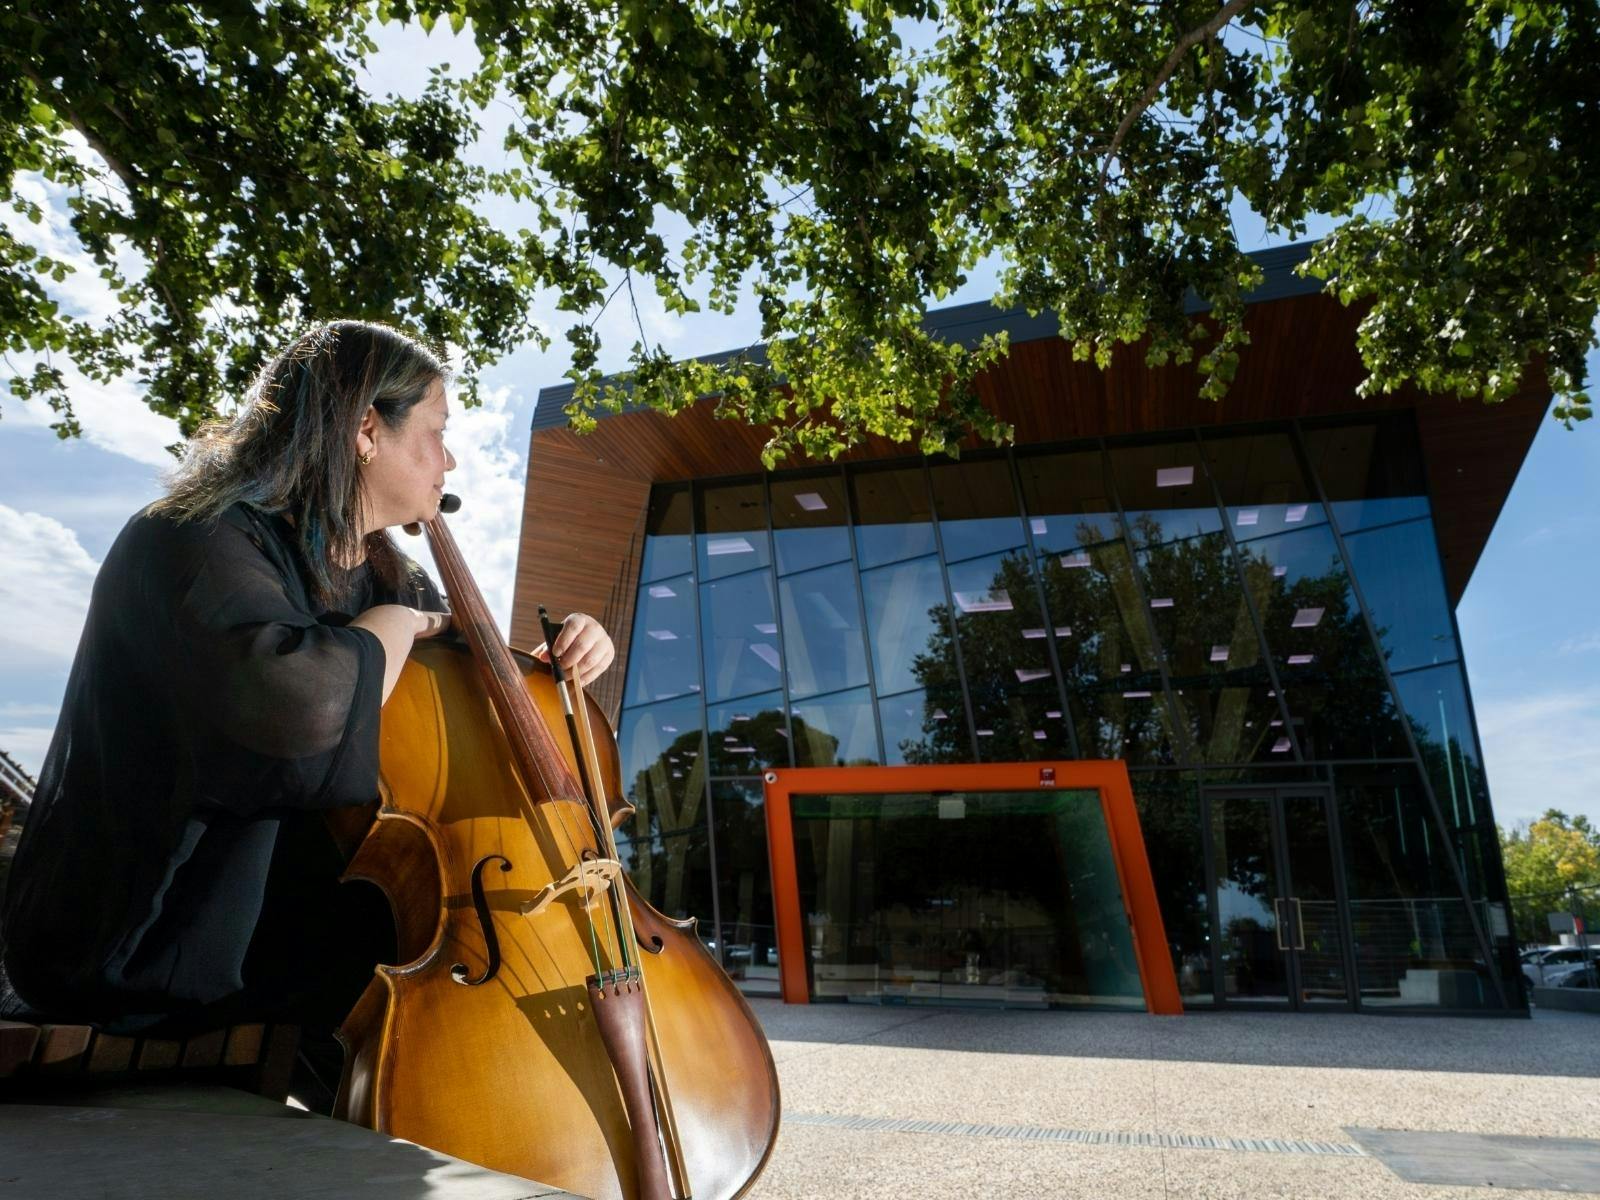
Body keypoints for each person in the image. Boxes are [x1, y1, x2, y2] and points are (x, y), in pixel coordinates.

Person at [0, 321, 615, 1100]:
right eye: (438, 431)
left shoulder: (395, 578)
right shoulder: (191, 539)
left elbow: (461, 711)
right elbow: (298, 719)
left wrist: (555, 664)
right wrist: (397, 629)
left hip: (299, 970)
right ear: (366, 430)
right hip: (147, 960)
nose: (451, 459)